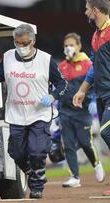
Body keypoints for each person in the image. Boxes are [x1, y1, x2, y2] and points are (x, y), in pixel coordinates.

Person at [0, 24, 67, 199]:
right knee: (16, 153)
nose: (21, 47)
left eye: (25, 43)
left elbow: (62, 84)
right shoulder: (7, 57)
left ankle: (37, 186)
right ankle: (32, 171)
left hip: (39, 114)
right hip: (16, 114)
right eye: (18, 43)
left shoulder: (45, 59)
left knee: (36, 151)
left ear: (33, 41)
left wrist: (52, 96)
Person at [73, 0, 110, 196]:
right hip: (102, 94)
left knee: (106, 132)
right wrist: (82, 90)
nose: (85, 11)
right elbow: (94, 68)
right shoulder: (96, 36)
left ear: (95, 11)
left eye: (87, 8)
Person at [58, 33, 105, 188]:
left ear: (78, 46)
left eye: (71, 45)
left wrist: (91, 100)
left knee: (85, 142)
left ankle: (96, 163)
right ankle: (74, 177)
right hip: (65, 112)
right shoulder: (62, 66)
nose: (68, 48)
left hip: (82, 111)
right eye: (65, 45)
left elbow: (94, 83)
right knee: (68, 145)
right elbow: (59, 88)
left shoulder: (87, 64)